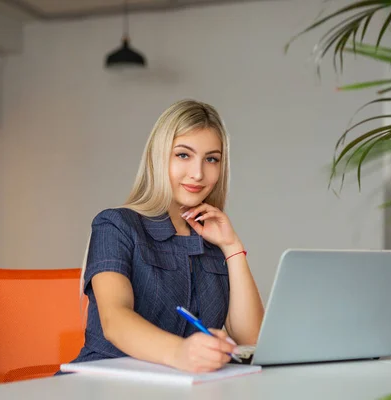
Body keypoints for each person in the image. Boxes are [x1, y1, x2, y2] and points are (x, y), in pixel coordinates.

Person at [62, 99, 264, 374]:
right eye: (183, 155)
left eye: (211, 159)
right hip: (104, 382)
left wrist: (232, 246)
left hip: (179, 387)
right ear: (159, 158)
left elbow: (250, 339)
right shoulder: (116, 225)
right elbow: (115, 320)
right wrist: (180, 352)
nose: (198, 173)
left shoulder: (213, 238)